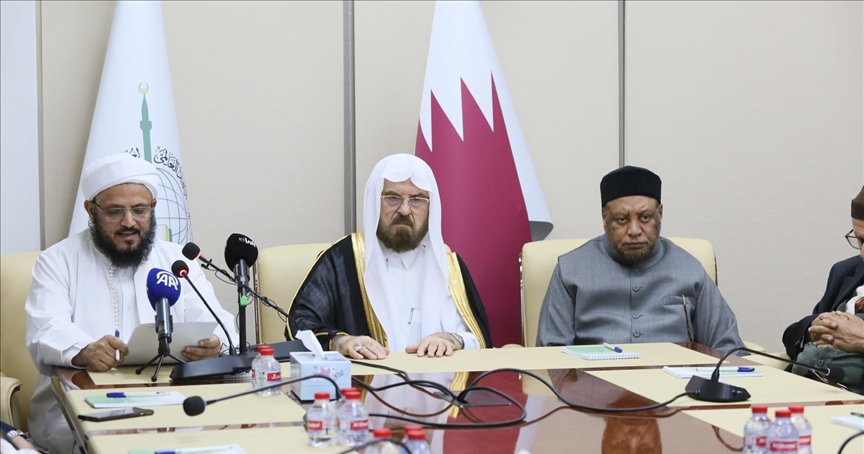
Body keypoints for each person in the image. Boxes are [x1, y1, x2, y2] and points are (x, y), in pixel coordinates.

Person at [25, 153, 238, 454]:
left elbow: (219, 324)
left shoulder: (177, 261)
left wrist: (215, 344)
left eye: (139, 210)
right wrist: (84, 349)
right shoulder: (58, 261)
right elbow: (45, 329)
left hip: (174, 407)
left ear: (153, 207)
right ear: (91, 210)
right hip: (83, 411)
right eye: (115, 212)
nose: (129, 222)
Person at [287, 153, 491, 359]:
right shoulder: (343, 259)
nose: (405, 210)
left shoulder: (448, 266)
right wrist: (340, 341)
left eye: (417, 200)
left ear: (431, 207)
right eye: (393, 198)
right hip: (363, 378)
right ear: (374, 202)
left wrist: (451, 339)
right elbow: (299, 324)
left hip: (436, 379)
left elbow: (478, 339)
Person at [536, 166, 743, 353]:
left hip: (674, 381)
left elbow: (729, 349)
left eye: (645, 218)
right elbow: (550, 356)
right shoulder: (570, 270)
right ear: (605, 218)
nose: (634, 230)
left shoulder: (690, 269)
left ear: (660, 214)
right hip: (593, 381)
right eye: (622, 219)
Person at [782, 186, 864, 393]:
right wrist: (815, 329)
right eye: (860, 240)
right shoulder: (845, 271)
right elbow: (792, 336)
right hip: (802, 389)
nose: (863, 254)